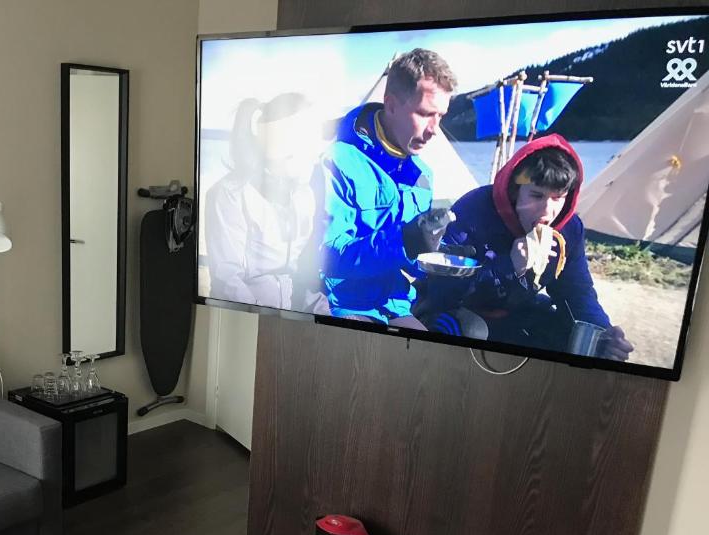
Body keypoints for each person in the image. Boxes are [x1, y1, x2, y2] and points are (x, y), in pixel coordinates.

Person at [422, 134, 633, 361]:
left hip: (517, 312)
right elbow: (442, 290)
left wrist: (602, 334)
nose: (547, 211)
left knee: (581, 341)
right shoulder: (474, 211)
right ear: (515, 191)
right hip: (460, 309)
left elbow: (576, 293)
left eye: (557, 198)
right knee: (470, 330)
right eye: (536, 195)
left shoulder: (568, 230)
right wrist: (510, 266)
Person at [318, 48, 458, 328]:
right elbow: (327, 257)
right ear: (391, 105)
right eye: (425, 114)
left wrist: (440, 250)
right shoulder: (337, 161)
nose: (434, 129)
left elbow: (411, 265)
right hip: (342, 304)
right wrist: (404, 241)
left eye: (441, 116)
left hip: (395, 303)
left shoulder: (422, 176)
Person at [204, 92, 325, 311]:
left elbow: (305, 279)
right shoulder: (229, 194)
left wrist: (322, 314)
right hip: (246, 320)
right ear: (284, 151)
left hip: (293, 320)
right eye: (308, 148)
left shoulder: (304, 195)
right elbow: (227, 283)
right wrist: (268, 319)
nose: (316, 157)